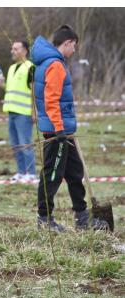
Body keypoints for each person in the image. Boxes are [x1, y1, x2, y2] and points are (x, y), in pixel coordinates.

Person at [32, 25, 109, 232]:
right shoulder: (55, 65)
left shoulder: (46, 63)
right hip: (58, 132)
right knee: (52, 174)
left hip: (63, 131)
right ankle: (44, 219)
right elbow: (51, 100)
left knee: (75, 172)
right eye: (73, 45)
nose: (74, 50)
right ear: (66, 43)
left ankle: (82, 218)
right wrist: (58, 130)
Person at [0, 41, 36, 182]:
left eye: (15, 49)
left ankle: (31, 174)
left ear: (25, 51)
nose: (12, 51)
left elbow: (34, 91)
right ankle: (21, 172)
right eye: (12, 48)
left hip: (24, 113)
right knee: (16, 145)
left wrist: (34, 112)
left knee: (25, 145)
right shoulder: (12, 68)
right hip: (12, 112)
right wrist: (2, 85)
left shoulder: (31, 67)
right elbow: (12, 90)